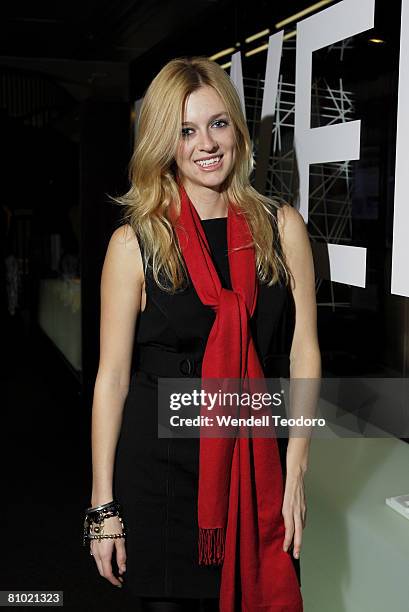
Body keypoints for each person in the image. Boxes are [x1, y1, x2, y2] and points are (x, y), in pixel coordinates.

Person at [84, 56, 321, 612]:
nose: (206, 143)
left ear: (238, 130)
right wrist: (102, 505)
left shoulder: (281, 227)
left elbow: (304, 350)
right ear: (165, 142)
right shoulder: (133, 244)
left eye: (217, 123)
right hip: (160, 479)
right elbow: (112, 379)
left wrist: (297, 471)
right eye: (186, 130)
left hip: (256, 467)